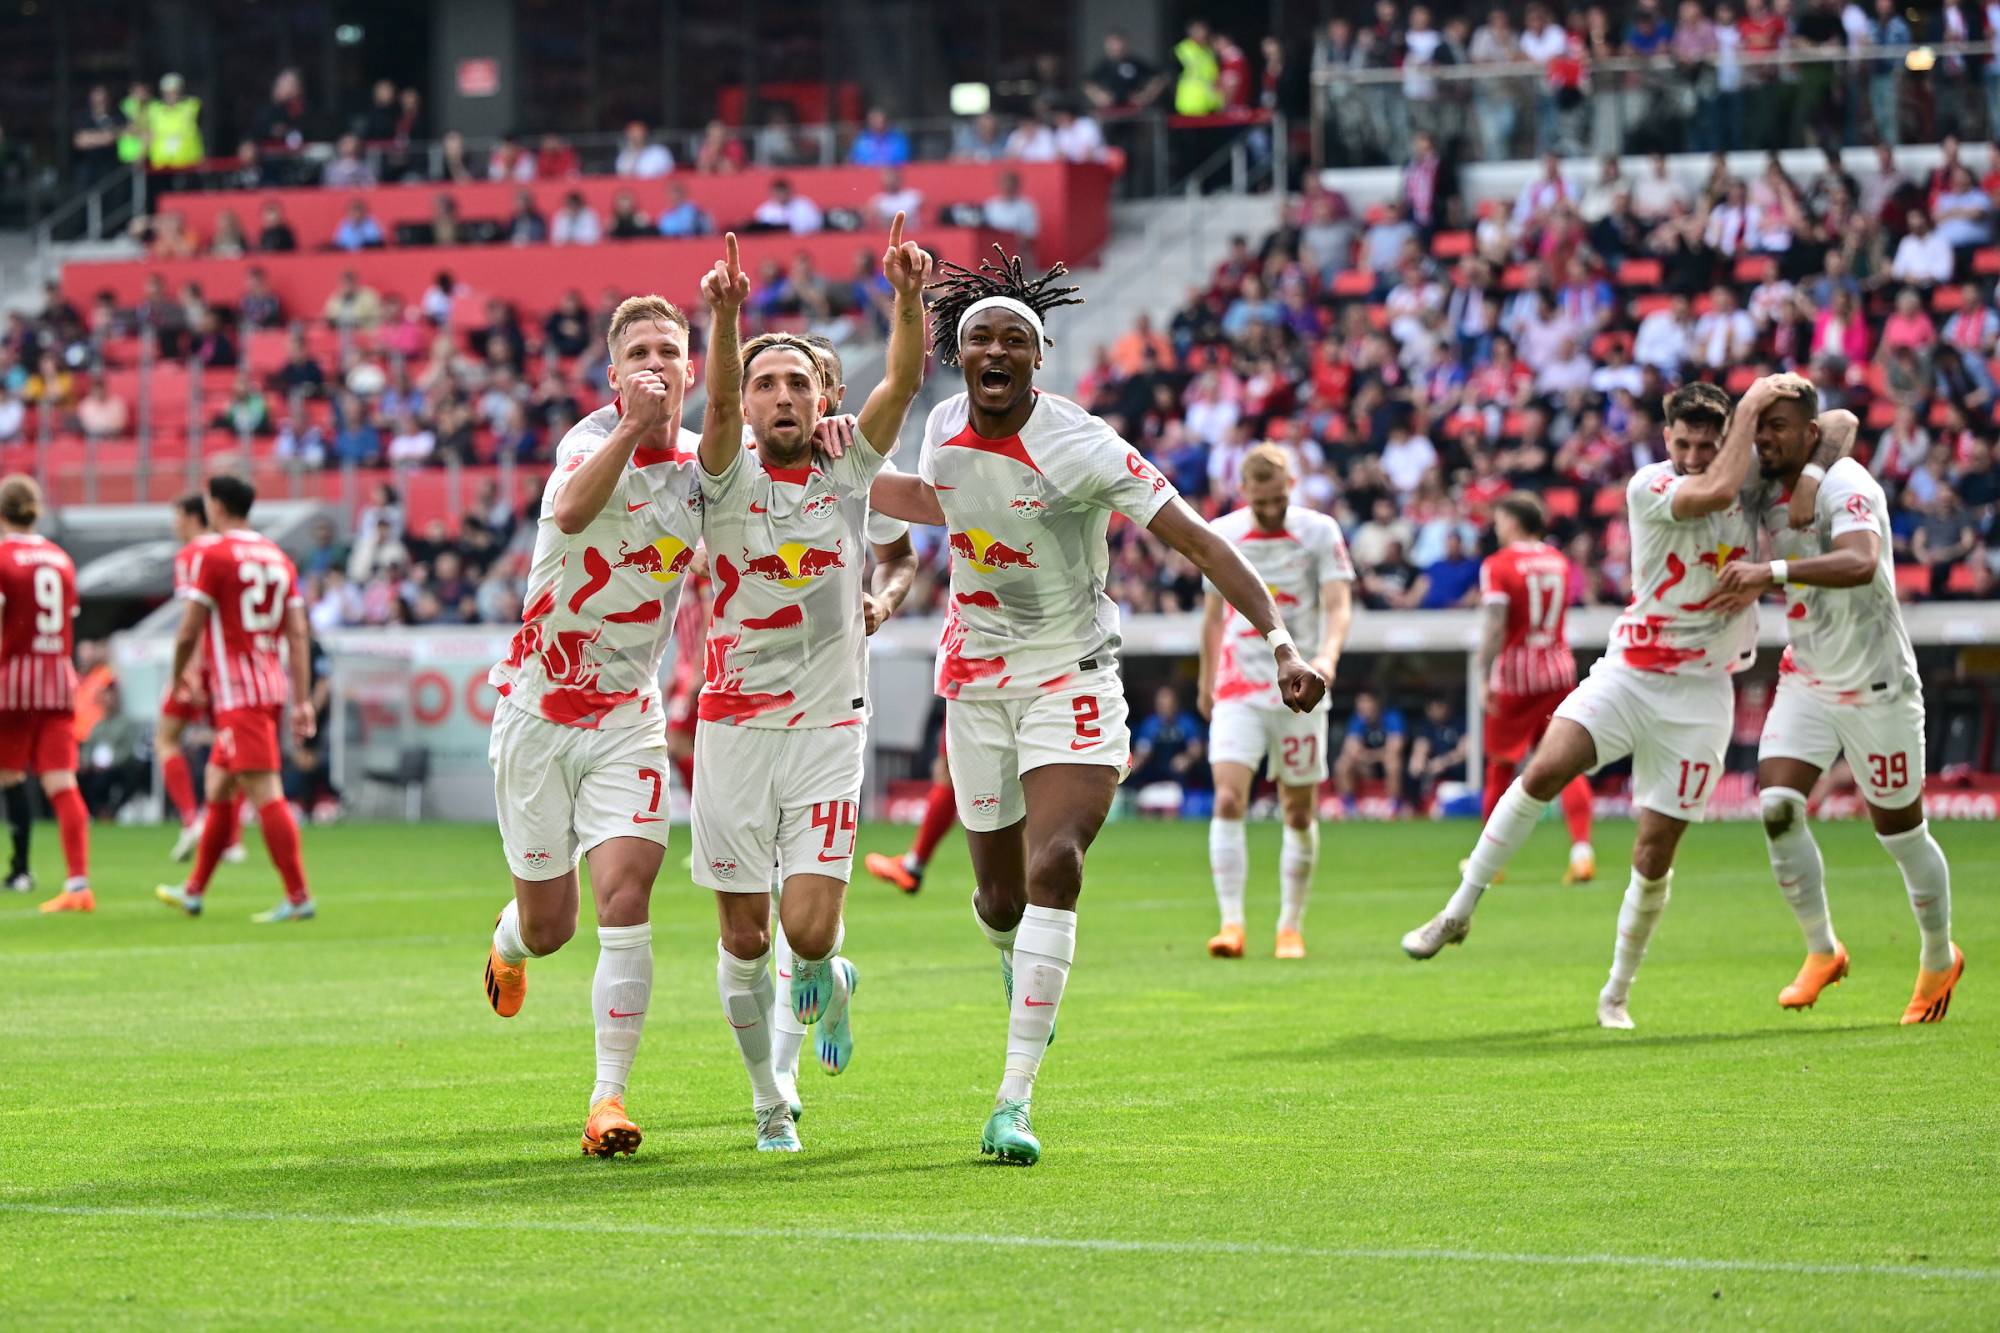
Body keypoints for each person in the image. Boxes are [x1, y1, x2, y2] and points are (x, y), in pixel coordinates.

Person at [869, 246, 1327, 1165]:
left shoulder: (1083, 443)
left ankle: (1012, 1099)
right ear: (958, 357)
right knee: (998, 899)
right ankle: (1019, 959)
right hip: (977, 681)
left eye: (1014, 339)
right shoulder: (943, 423)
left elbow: (1197, 540)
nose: (994, 349)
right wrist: (815, 477)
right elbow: (933, 503)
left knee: (1058, 864)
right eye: (976, 338)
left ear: (1040, 359)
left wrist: (1279, 639)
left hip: (1072, 670)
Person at [1401, 378, 1844, 1030]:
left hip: (1701, 692)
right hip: (1630, 672)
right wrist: (1750, 409)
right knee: (1544, 769)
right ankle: (1459, 909)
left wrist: (1812, 473)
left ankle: (1616, 990)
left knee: (1652, 850)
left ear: (1725, 439)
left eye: (1706, 442)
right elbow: (1715, 490)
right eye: (1683, 441)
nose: (1693, 453)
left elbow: (1840, 421)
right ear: (1667, 439)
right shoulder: (1653, 486)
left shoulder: (1752, 477)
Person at [690, 220, 929, 1150]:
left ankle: (825, 986)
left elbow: (903, 381)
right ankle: (769, 1097)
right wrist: (724, 317)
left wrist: (907, 298)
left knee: (811, 931)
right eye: (763, 382)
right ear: (743, 403)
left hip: (830, 725)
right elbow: (709, 414)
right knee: (747, 941)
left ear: (825, 394)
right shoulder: (719, 476)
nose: (781, 395)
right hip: (732, 731)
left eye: (798, 381)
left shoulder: (846, 467)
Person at [472, 294, 707, 1161]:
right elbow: (572, 514)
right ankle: (507, 946)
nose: (654, 363)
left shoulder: (707, 467)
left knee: (626, 899)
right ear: (613, 375)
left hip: (626, 718)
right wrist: (628, 429)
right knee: (551, 926)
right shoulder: (585, 441)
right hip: (537, 712)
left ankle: (608, 1098)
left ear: (692, 370)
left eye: (670, 351)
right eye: (638, 351)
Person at [1715, 403, 1962, 1024]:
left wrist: (1768, 571)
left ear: (1810, 434)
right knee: (1775, 807)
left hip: (1877, 683)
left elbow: (1857, 563)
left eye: (1778, 428)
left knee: (1900, 835)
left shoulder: (1848, 481)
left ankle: (1938, 956)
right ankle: (1822, 949)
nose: (1764, 440)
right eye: (1758, 428)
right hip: (1809, 678)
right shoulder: (1764, 483)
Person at [1197, 444, 1353, 961]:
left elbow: (1337, 605)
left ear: (1292, 486)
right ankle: (1231, 924)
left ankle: (1290, 926)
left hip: (1303, 689)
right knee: (1227, 799)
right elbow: (1214, 616)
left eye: (1278, 498)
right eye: (1260, 500)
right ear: (1245, 492)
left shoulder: (1320, 531)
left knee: (1299, 813)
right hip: (1239, 685)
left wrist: (1326, 660)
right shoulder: (1222, 532)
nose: (1270, 509)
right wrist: (1206, 680)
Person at [153, 475, 316, 925]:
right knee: (218, 785)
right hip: (269, 687)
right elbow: (298, 633)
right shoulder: (279, 558)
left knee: (265, 791)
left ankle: (299, 895)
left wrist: (178, 675)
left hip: (239, 696)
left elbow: (189, 628)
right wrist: (301, 699)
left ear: (217, 506)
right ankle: (193, 891)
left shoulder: (216, 554)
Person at [1475, 492, 1595, 884]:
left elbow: (1496, 623)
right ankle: (1582, 852)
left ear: (1512, 522)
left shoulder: (1498, 565)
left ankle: (1490, 864)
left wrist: (1483, 673)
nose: (1495, 527)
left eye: (1499, 520)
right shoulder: (1557, 561)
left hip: (1516, 677)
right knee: (1566, 762)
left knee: (1500, 764)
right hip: (1558, 672)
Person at [0, 476, 91, 913]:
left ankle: (20, 868)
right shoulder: (61, 560)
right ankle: (78, 882)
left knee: (10, 776)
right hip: (58, 681)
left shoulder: (2, 558)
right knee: (61, 782)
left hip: (11, 683)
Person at [157, 493, 245, 865]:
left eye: (177, 515)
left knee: (166, 737)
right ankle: (232, 839)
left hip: (202, 662)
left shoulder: (192, 555)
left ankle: (192, 820)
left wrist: (189, 668)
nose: (174, 523)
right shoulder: (234, 549)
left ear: (194, 516)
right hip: (234, 667)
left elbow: (192, 620)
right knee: (236, 747)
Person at [1333, 689, 1405, 815]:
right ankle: (1349, 806)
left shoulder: (1392, 717)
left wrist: (1369, 756)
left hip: (1385, 764)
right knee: (1342, 763)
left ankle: (1394, 806)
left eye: (1366, 702)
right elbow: (1351, 749)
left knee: (1393, 762)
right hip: (1365, 766)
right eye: (1360, 703)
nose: (1362, 706)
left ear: (1376, 703)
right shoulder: (1357, 719)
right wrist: (1368, 758)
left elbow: (1395, 749)